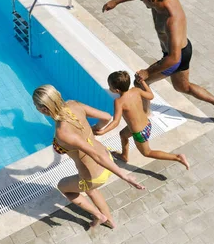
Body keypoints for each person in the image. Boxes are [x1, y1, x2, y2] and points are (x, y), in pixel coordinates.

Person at [102, 0, 214, 119]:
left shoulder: (171, 21)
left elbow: (173, 58)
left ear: (152, 0)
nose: (140, 0)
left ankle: (145, 116)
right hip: (181, 49)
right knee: (183, 87)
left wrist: (147, 71)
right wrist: (116, 1)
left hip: (175, 57)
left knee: (140, 82)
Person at [33, 85, 145, 229]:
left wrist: (125, 176)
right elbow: (106, 117)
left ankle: (99, 215)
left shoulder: (63, 132)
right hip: (107, 157)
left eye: (36, 106)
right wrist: (96, 129)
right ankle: (110, 222)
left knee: (64, 187)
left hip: (94, 175)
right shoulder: (74, 104)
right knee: (90, 190)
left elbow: (95, 155)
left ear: (43, 109)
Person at [94, 71, 189, 170]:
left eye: (110, 86)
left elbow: (116, 121)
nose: (109, 88)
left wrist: (103, 131)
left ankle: (177, 157)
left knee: (147, 153)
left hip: (139, 133)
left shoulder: (119, 102)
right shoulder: (136, 90)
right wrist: (143, 82)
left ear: (117, 90)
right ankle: (124, 156)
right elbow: (151, 96)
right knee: (123, 134)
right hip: (147, 124)